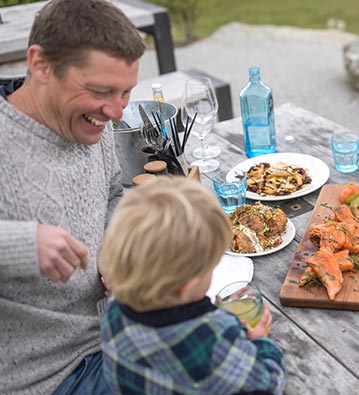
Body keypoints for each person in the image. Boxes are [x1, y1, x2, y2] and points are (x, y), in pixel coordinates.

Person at [0, 0, 145, 393]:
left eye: (126, 92)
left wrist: (115, 248)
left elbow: (114, 192)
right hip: (47, 376)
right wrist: (17, 244)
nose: (116, 111)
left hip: (113, 331)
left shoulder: (90, 121)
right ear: (40, 65)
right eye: (101, 91)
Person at [99, 177, 286, 394]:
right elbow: (268, 385)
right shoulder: (212, 338)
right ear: (186, 287)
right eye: (210, 267)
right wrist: (262, 341)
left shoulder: (113, 313)